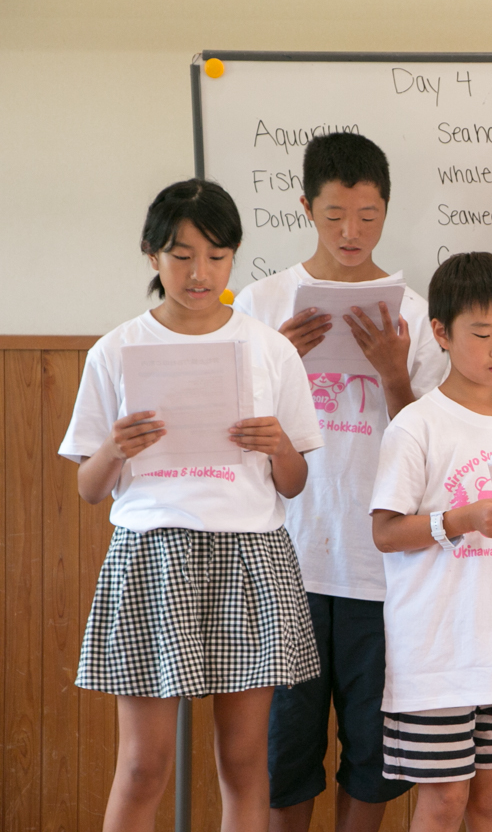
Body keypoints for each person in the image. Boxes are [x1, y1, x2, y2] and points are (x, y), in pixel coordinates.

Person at [58, 179, 323, 832]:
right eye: (181, 254)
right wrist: (117, 448)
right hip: (152, 555)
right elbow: (90, 488)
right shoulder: (116, 349)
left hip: (249, 555)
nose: (199, 272)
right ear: (151, 255)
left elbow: (294, 482)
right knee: (143, 765)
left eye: (216, 254)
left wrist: (280, 446)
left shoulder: (270, 348)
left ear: (234, 257)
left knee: (243, 762)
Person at [233, 131, 447, 832]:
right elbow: (227, 431)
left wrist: (392, 371)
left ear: (387, 210)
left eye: (368, 215)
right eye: (334, 216)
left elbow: (434, 449)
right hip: (284, 559)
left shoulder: (414, 314)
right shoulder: (261, 305)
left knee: (376, 754)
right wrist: (275, 364)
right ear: (305, 207)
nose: (352, 233)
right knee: (284, 749)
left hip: (381, 568)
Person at [369, 252, 492, 832]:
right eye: (482, 333)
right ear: (441, 333)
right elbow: (384, 531)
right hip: (437, 653)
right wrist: (461, 519)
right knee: (443, 802)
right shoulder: (417, 424)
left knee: (491, 804)